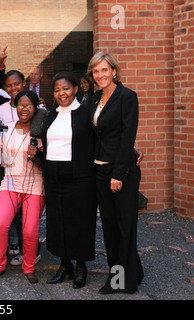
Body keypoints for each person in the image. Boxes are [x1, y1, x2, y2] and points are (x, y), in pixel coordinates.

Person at [87, 51, 144, 294]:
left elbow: (126, 134)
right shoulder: (94, 98)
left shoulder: (127, 96)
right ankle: (132, 272)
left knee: (124, 227)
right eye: (96, 71)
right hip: (99, 170)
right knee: (110, 228)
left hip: (120, 172)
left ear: (113, 71)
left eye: (104, 70)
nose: (100, 75)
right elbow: (94, 133)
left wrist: (119, 174)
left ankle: (122, 281)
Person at [36, 72, 98, 289]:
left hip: (80, 176)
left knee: (80, 221)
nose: (62, 93)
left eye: (66, 88)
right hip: (54, 175)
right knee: (58, 221)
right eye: (57, 90)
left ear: (75, 89)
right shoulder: (50, 114)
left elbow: (103, 139)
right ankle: (65, 265)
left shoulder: (86, 113)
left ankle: (81, 266)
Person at [0, 90, 45, 284]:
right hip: (10, 182)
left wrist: (37, 156)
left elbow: (48, 164)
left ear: (35, 108)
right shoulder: (6, 128)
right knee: (0, 224)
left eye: (28, 106)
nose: (24, 109)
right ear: (14, 107)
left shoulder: (41, 133)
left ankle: (28, 267)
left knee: (30, 230)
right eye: (20, 105)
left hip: (34, 184)